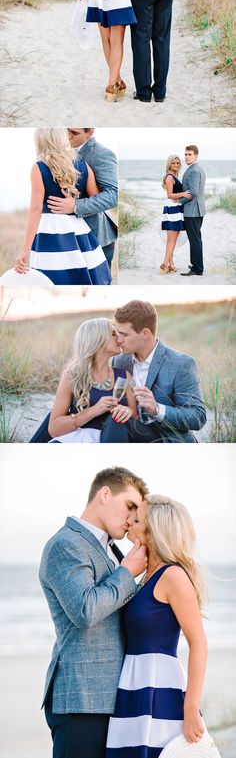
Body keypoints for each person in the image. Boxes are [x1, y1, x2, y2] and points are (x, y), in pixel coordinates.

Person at [39, 466, 148, 758]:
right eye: (129, 506)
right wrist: (127, 572)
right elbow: (85, 610)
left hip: (111, 697)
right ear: (104, 494)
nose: (132, 518)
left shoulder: (111, 549)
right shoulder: (66, 544)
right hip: (82, 700)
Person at [106, 494, 207, 756]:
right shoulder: (145, 577)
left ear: (152, 532)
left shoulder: (172, 576)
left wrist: (191, 707)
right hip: (133, 684)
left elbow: (198, 642)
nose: (129, 520)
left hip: (159, 687)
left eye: (136, 518)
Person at [14, 128, 111, 285]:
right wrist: (76, 203)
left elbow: (35, 209)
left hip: (49, 233)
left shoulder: (39, 168)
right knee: (81, 277)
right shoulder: (83, 166)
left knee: (51, 280)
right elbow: (96, 199)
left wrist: (25, 249)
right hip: (79, 231)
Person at [100, 301, 207, 443]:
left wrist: (157, 409)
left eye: (124, 335)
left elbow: (197, 417)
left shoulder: (181, 364)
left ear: (145, 333)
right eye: (117, 333)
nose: (118, 340)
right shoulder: (120, 361)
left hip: (167, 439)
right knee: (114, 419)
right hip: (131, 433)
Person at [30, 318, 136, 443]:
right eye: (113, 334)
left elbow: (135, 419)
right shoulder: (72, 376)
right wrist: (93, 411)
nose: (119, 339)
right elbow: (53, 428)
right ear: (98, 340)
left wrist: (128, 410)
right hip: (75, 440)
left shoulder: (125, 377)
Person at [46, 127, 118, 275]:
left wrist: (76, 206)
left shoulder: (102, 154)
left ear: (90, 133)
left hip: (96, 233)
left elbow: (112, 196)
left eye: (75, 133)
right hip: (67, 233)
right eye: (67, 130)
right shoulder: (62, 152)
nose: (68, 135)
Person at [160, 154, 191, 274]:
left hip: (174, 208)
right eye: (173, 163)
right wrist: (183, 194)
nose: (176, 165)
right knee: (172, 239)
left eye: (178, 163)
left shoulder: (174, 176)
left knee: (171, 239)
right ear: (169, 164)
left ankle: (171, 265)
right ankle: (164, 263)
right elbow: (170, 195)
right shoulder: (169, 177)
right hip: (173, 209)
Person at [180, 145, 206, 277]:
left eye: (189, 154)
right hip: (197, 210)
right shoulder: (197, 169)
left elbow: (194, 192)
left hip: (192, 211)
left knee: (194, 239)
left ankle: (197, 268)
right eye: (185, 154)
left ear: (196, 156)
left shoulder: (194, 170)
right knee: (196, 239)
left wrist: (180, 201)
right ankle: (197, 264)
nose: (187, 157)